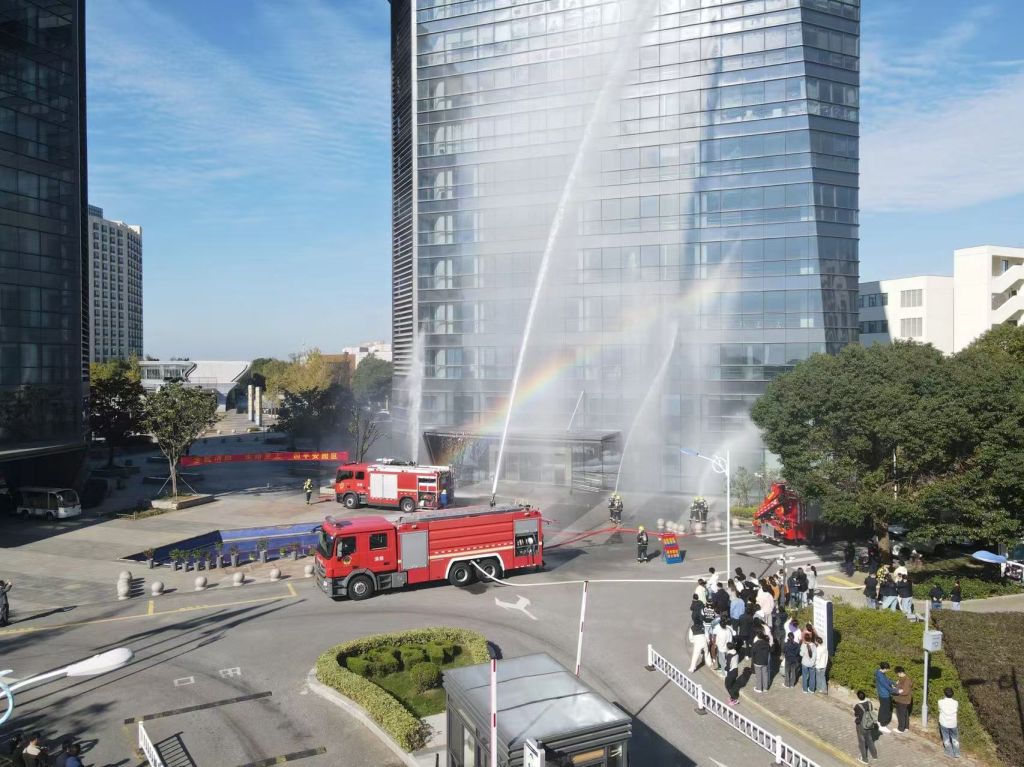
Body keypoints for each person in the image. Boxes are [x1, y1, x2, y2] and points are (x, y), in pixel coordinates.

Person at [854, 690, 879, 764]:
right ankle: (874, 756)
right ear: (865, 696)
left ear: (858, 697)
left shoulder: (857, 706)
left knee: (862, 742)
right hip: (870, 724)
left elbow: (856, 715)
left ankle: (864, 759)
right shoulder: (869, 703)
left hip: (861, 726)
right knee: (870, 740)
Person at [938, 687, 961, 758]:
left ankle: (949, 752)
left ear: (944, 694)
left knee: (946, 738)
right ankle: (957, 753)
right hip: (953, 723)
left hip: (944, 722)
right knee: (955, 738)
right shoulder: (956, 702)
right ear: (952, 694)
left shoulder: (940, 702)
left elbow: (939, 710)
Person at [875, 661, 895, 733]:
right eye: (888, 669)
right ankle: (882, 726)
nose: (888, 670)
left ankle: (879, 721)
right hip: (884, 695)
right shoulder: (880, 676)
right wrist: (896, 691)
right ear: (884, 669)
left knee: (882, 709)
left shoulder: (880, 672)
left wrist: (894, 683)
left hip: (882, 694)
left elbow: (887, 680)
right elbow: (886, 686)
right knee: (886, 710)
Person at [893, 666, 913, 733]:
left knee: (900, 714)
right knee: (905, 713)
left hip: (903, 700)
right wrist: (896, 687)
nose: (897, 675)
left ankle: (901, 729)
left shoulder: (906, 680)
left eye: (898, 673)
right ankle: (906, 727)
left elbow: (905, 691)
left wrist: (896, 691)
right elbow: (900, 687)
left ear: (900, 672)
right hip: (903, 700)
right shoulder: (902, 679)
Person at [724, 641, 741, 705]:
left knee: (728, 686)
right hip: (736, 670)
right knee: (732, 685)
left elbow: (728, 665)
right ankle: (732, 697)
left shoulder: (729, 655)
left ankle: (735, 699)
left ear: (728, 648)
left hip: (731, 672)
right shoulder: (736, 652)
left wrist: (726, 668)